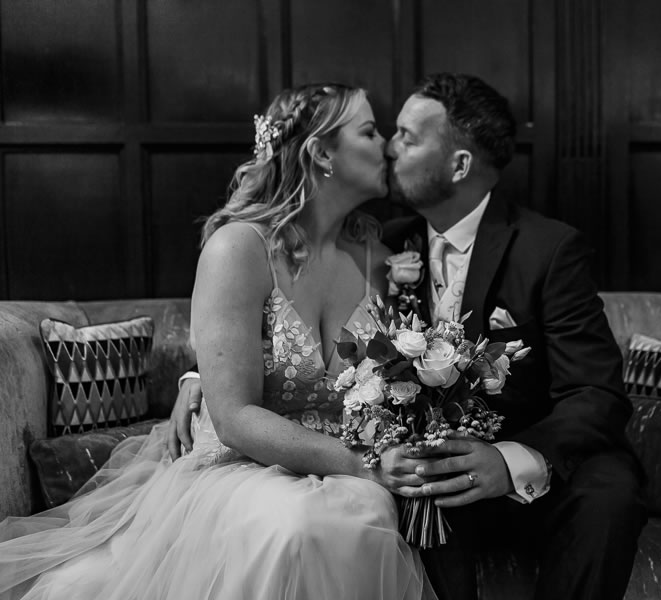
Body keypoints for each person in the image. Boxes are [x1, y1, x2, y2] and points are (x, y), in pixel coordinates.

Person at [171, 73, 647, 600]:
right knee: (364, 509)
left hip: (510, 450)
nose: (390, 147)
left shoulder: (544, 250)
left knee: (610, 491)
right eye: (379, 132)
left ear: (459, 165)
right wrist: (200, 375)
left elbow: (596, 392)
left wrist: (509, 459)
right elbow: (254, 336)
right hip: (410, 465)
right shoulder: (388, 246)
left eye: (406, 136)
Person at [0, 83, 436, 600]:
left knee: (359, 512)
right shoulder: (239, 249)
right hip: (246, 467)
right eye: (370, 131)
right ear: (322, 153)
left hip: (346, 477)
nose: (386, 144)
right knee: (300, 524)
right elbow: (233, 417)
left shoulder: (380, 260)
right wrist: (364, 465)